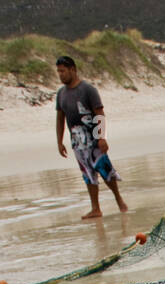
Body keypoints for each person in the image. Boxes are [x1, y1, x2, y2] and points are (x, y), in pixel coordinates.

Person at [55, 57, 128, 221]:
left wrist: (101, 137)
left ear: (73, 69)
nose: (60, 75)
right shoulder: (61, 94)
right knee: (87, 174)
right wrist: (59, 142)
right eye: (58, 71)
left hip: (94, 139)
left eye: (63, 71)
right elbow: (60, 118)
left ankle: (118, 199)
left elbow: (99, 113)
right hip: (77, 142)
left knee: (105, 170)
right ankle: (95, 208)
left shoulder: (88, 90)